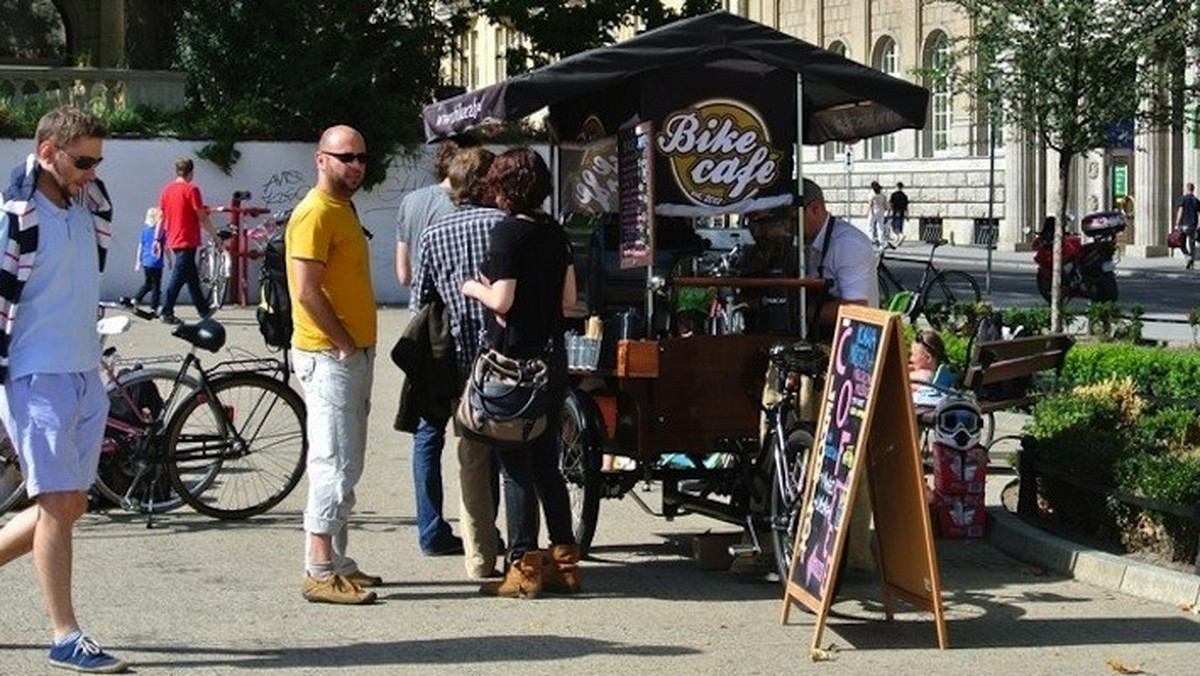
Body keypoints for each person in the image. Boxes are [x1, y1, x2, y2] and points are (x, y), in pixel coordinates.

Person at [0, 106, 127, 672]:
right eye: (82, 161)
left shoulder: (87, 207)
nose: (92, 172)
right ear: (47, 153)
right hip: (36, 373)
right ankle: (64, 634)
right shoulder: (16, 216)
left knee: (71, 503)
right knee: (54, 503)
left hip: (83, 372)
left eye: (97, 162)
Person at [462, 147, 581, 598]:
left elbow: (503, 301)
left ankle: (524, 565)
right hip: (553, 359)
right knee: (548, 463)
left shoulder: (507, 234)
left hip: (515, 364)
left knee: (515, 465)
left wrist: (472, 286)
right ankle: (566, 560)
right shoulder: (556, 232)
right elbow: (570, 298)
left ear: (504, 187)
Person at [287, 125, 381, 605]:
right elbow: (305, 291)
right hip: (329, 355)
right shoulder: (314, 213)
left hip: (350, 353)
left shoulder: (342, 207)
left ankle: (337, 561)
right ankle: (319, 569)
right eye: (346, 157)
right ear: (320, 159)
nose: (357, 165)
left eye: (362, 157)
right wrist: (344, 343)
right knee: (333, 462)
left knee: (349, 460)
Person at [412, 147, 507, 579]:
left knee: (454, 449)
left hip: (453, 361)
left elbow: (420, 304)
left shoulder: (434, 235)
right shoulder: (506, 227)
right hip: (503, 358)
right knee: (501, 454)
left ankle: (460, 543)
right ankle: (496, 539)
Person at [395, 139, 463, 556]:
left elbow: (404, 274)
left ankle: (430, 528)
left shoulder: (412, 203)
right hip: (462, 325)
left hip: (422, 329)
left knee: (426, 433)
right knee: (478, 435)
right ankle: (482, 531)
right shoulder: (466, 206)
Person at [802, 178, 880, 333]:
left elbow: (857, 308)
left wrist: (800, 314)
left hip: (855, 339)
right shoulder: (805, 241)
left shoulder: (847, 243)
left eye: (792, 218)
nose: (788, 226)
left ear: (815, 209)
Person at [157, 156, 222, 325]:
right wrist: (215, 236)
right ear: (191, 172)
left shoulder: (166, 190)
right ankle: (166, 310)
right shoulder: (192, 190)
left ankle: (203, 309)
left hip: (174, 238)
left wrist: (158, 239)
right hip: (187, 238)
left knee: (191, 276)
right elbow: (201, 216)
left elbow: (161, 216)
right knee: (178, 276)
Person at [130, 207, 166, 312]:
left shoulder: (144, 231)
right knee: (156, 285)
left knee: (148, 283)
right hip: (157, 262)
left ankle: (137, 298)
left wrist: (138, 261)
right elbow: (166, 247)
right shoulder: (161, 232)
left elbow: (140, 246)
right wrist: (170, 260)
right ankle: (154, 306)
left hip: (146, 262)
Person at [1175, 182, 1199, 270]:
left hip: (1184, 225)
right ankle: (1191, 263)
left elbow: (1180, 212)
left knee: (1181, 243)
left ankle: (1187, 256)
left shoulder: (1183, 199)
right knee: (1192, 245)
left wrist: (1177, 223)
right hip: (1193, 226)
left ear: (1186, 189)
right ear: (1193, 189)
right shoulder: (1195, 200)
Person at [865, 180, 888, 247]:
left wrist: (867, 211)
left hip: (873, 210)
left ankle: (870, 239)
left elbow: (870, 203)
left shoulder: (872, 194)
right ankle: (881, 240)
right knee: (880, 226)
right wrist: (886, 209)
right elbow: (885, 203)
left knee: (870, 225)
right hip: (881, 210)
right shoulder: (882, 194)